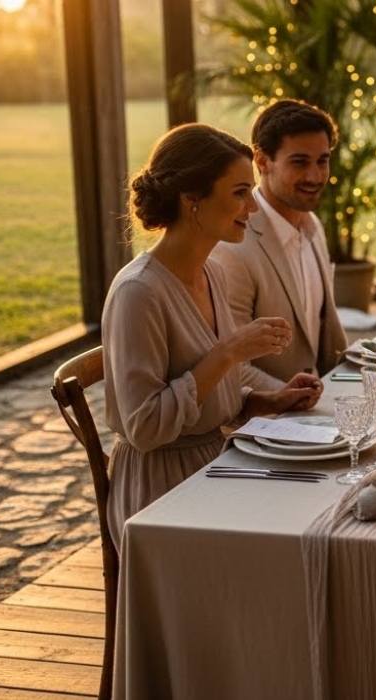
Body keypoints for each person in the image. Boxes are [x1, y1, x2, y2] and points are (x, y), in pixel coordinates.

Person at [103, 123, 324, 547]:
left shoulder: (212, 273)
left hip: (215, 464)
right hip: (160, 492)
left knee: (318, 514)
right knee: (286, 543)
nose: (253, 207)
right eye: (240, 193)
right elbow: (145, 428)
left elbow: (205, 396)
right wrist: (228, 352)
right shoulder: (139, 292)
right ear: (192, 201)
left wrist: (266, 400)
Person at [211, 99, 349, 380]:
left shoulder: (313, 226)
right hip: (271, 407)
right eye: (299, 162)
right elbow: (231, 367)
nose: (315, 176)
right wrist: (291, 397)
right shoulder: (232, 247)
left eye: (322, 161)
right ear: (262, 161)